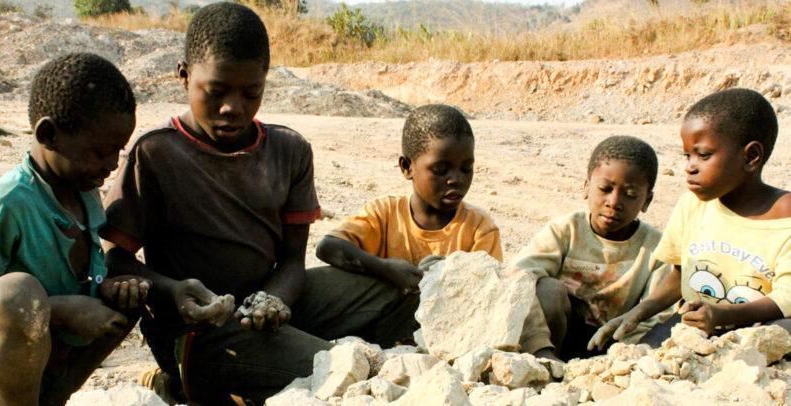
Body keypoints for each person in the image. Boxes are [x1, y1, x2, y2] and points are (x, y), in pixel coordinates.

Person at [101, 4, 419, 404]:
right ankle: (196, 379)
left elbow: (291, 263)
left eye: (251, 92)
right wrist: (172, 289)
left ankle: (276, 365)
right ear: (184, 75)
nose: (233, 107)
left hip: (265, 304)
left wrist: (275, 301)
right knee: (337, 372)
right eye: (216, 92)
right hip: (197, 328)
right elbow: (115, 261)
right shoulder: (154, 154)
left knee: (401, 294)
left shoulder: (289, 150)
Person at [0, 53, 146, 405]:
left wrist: (107, 291)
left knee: (132, 293)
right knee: (18, 294)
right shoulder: (6, 203)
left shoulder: (85, 194)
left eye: (118, 152)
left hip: (39, 376)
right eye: (100, 152)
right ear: (49, 134)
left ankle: (55, 398)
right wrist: (60, 309)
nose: (111, 165)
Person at [316, 103, 555, 358]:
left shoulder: (478, 228)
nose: (456, 179)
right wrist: (385, 269)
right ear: (407, 167)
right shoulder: (384, 213)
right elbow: (328, 247)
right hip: (382, 335)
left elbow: (490, 298)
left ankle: (545, 356)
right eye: (441, 170)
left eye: (466, 168)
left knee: (520, 283)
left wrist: (452, 272)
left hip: (453, 338)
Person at [588, 88, 791, 350]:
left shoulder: (785, 219)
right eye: (687, 155)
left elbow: (787, 298)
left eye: (703, 155)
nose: (689, 166)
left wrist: (722, 315)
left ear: (751, 156)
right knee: (642, 359)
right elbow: (680, 274)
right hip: (693, 327)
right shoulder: (692, 204)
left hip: (759, 331)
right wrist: (636, 314)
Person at [510, 135, 672, 360]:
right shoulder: (566, 230)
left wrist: (622, 359)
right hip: (558, 336)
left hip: (616, 348)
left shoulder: (657, 247)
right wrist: (540, 346)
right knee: (545, 289)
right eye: (605, 189)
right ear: (586, 187)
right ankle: (545, 360)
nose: (614, 202)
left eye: (631, 195)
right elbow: (518, 275)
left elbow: (655, 315)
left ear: (647, 200)